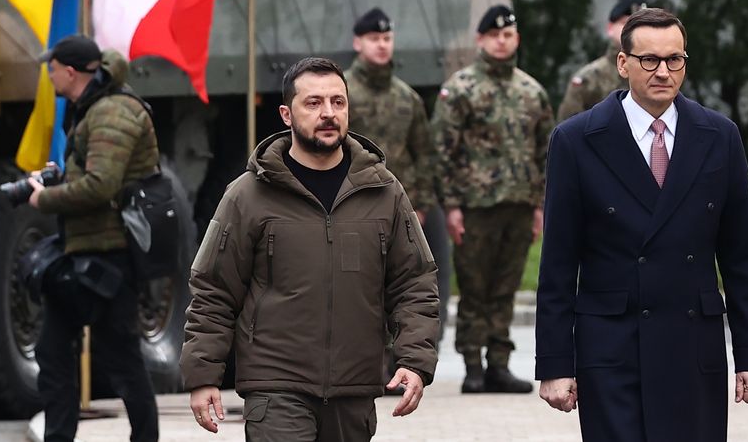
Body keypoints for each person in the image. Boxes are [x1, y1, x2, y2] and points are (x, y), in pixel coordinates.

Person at [535, 8, 748, 441]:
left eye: (674, 59)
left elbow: (743, 258)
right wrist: (554, 365)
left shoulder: (719, 136)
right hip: (611, 349)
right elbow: (557, 264)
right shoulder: (576, 140)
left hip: (690, 346)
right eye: (649, 60)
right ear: (623, 63)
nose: (663, 71)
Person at [181, 57, 439, 441]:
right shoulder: (247, 195)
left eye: (338, 102)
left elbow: (415, 283)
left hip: (354, 391)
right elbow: (214, 290)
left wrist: (415, 360)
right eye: (314, 103)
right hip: (276, 387)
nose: (328, 113)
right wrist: (203, 375)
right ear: (287, 114)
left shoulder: (384, 192)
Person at [24, 34, 160, 442]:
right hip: (84, 253)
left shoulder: (111, 112)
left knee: (122, 361)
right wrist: (60, 177)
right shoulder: (92, 109)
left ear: (69, 71)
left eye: (52, 69)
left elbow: (102, 185)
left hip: (112, 256)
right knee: (52, 353)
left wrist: (44, 197)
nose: (48, 76)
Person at [431, 4, 554, 394]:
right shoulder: (461, 88)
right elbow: (443, 151)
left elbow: (545, 152)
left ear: (516, 39)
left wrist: (540, 205)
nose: (502, 41)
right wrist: (451, 206)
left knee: (505, 287)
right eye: (495, 35)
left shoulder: (531, 91)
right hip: (474, 206)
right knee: (474, 288)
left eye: (509, 34)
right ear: (481, 39)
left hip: (519, 204)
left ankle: (499, 364)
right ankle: (472, 365)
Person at [344, 7, 450, 344]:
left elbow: (425, 156)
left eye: (387, 39)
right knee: (359, 287)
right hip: (353, 206)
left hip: (398, 209)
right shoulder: (342, 94)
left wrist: (418, 204)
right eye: (374, 39)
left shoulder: (408, 98)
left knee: (401, 285)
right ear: (358, 43)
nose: (381, 45)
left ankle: (399, 358)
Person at [558, 0, 648, 122]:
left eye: (641, 26)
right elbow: (568, 132)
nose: (633, 31)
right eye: (625, 23)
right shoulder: (589, 79)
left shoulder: (660, 73)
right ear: (610, 28)